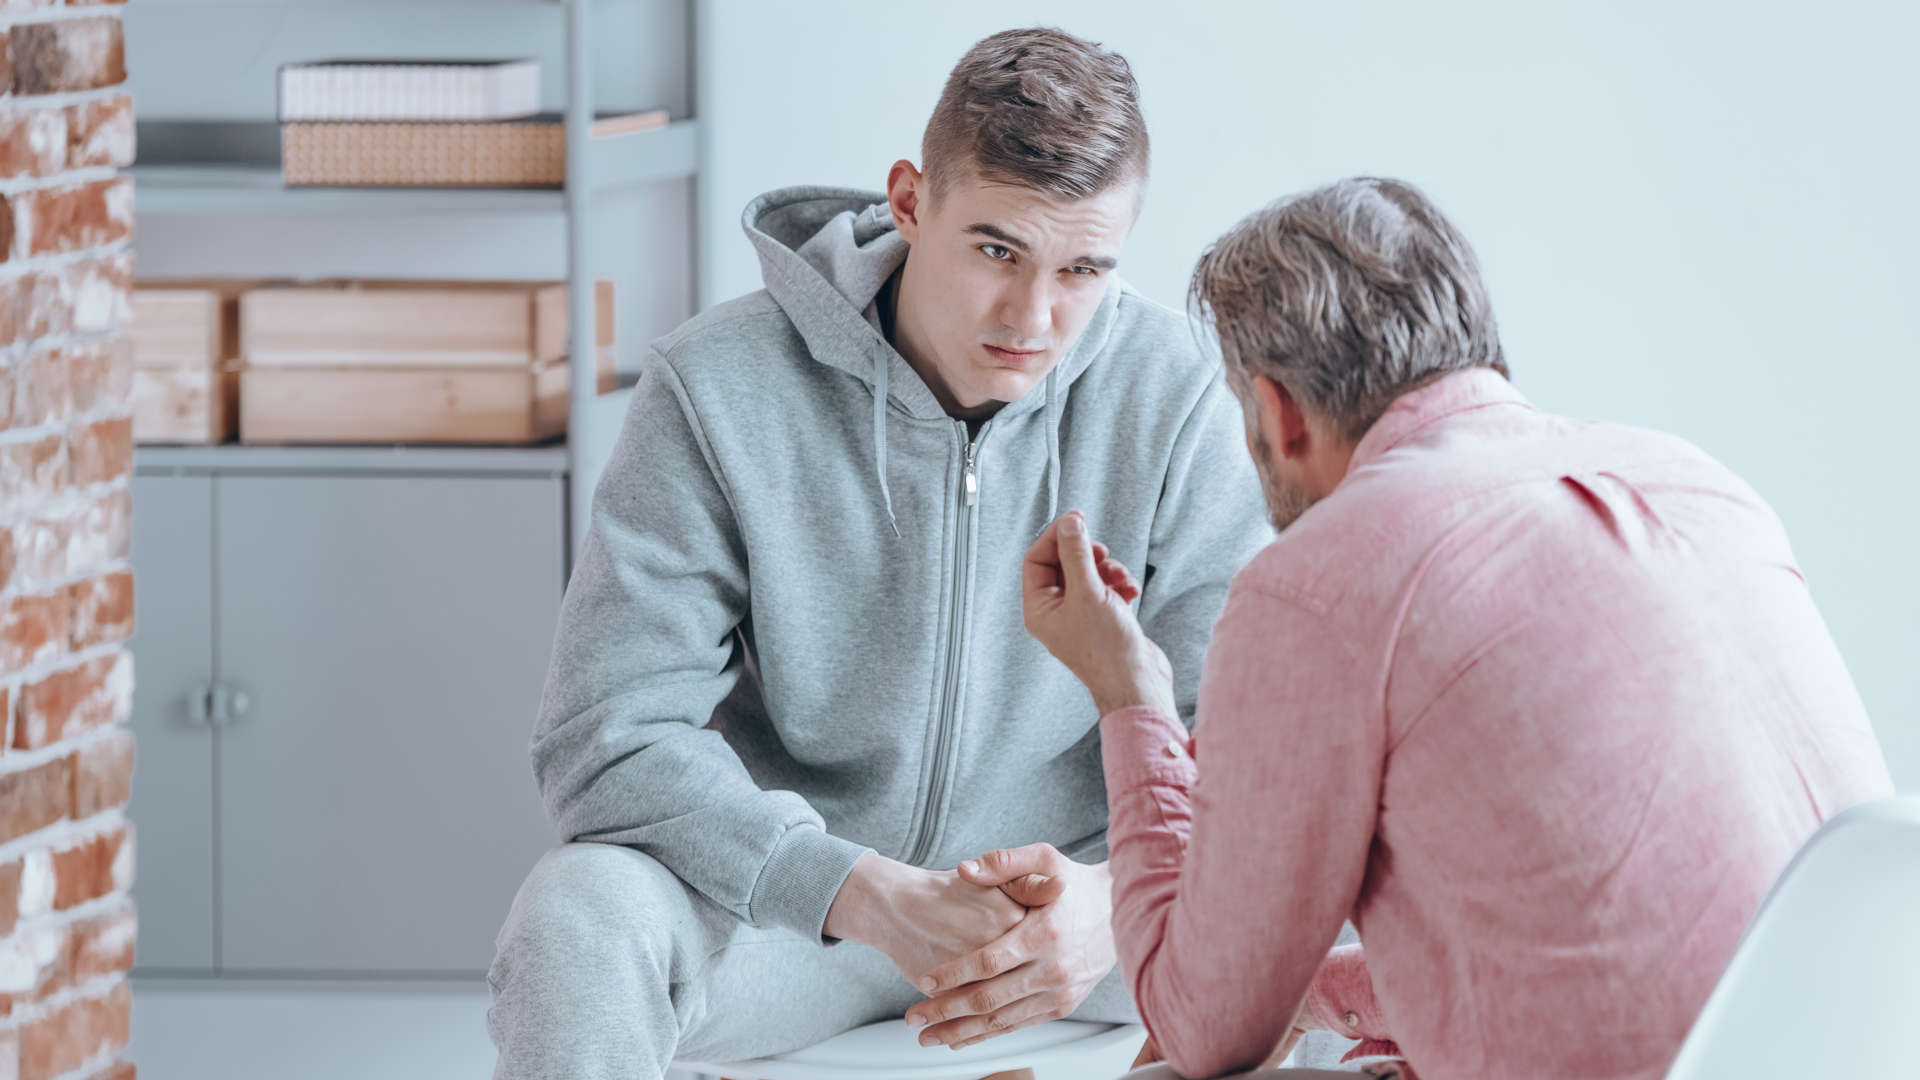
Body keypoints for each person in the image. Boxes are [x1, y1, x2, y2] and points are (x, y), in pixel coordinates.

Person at [486, 28, 1282, 1079]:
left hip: (1075, 922)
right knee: (575, 919)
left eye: (1083, 268)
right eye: (997, 250)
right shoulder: (717, 385)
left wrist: (1113, 901)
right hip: (798, 913)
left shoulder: (1172, 393)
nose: (1034, 319)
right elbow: (607, 732)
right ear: (910, 202)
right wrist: (853, 889)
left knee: (1377, 921)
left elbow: (1246, 744)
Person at [981, 176, 1895, 1079]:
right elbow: (1637, 957)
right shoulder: (1700, 483)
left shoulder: (1320, 581)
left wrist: (1126, 691)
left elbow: (1204, 1026)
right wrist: (1315, 995)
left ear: (1279, 412)